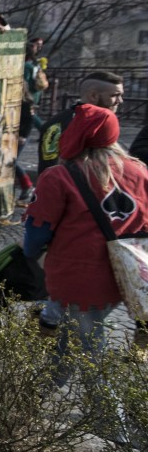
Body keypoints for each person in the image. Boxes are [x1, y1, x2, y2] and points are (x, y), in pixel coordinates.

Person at [23, 104, 148, 382]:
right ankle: (26, 406)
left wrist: (32, 254)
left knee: (91, 366)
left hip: (79, 282)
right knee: (67, 350)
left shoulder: (59, 176)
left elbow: (36, 233)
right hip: (123, 277)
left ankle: (114, 425)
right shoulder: (140, 172)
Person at [37, 70, 124, 174]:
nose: (120, 100)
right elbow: (51, 169)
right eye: (114, 95)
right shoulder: (59, 125)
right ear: (93, 96)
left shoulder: (105, 123)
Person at [15, 38, 47, 202]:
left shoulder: (27, 67)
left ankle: (27, 186)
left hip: (21, 128)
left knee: (11, 162)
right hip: (28, 105)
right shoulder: (35, 64)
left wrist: (23, 136)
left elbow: (28, 118)